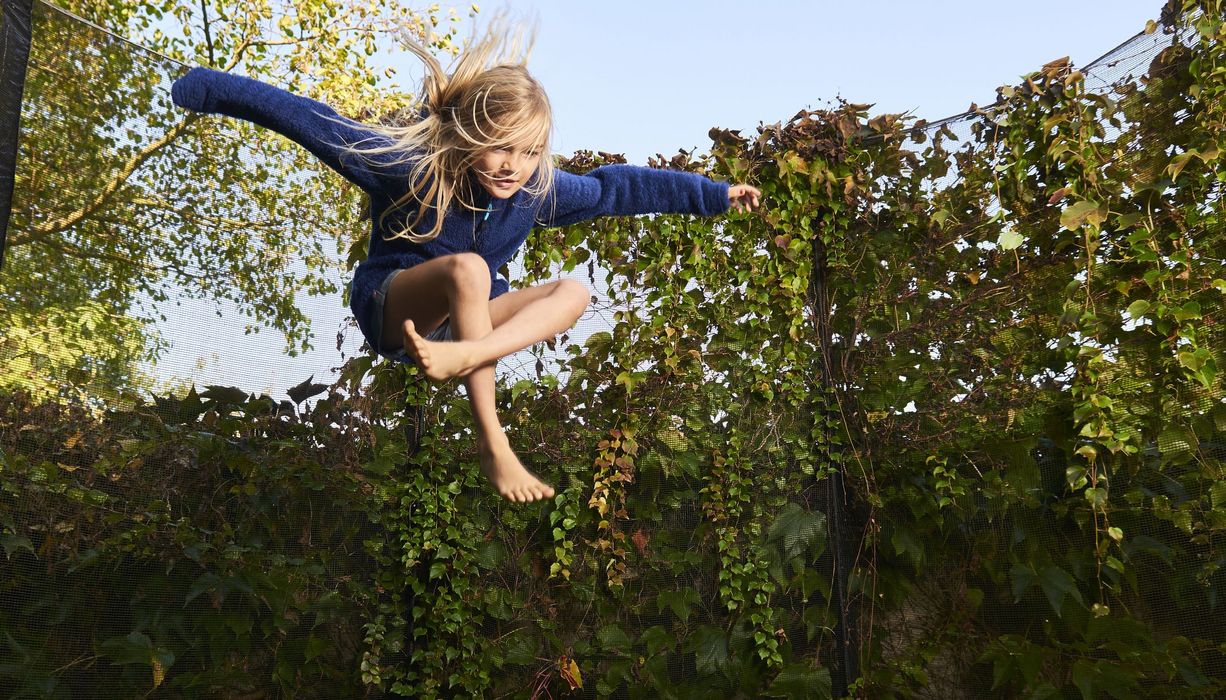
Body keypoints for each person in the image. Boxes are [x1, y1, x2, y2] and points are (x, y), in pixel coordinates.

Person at [171, 21, 761, 504]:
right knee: (471, 270)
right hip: (393, 307)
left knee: (574, 292)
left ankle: (469, 355)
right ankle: (492, 442)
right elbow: (307, 119)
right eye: (500, 146)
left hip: (461, 329)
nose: (513, 166)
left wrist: (710, 195)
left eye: (528, 152)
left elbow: (614, 190)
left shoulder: (535, 191)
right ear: (466, 132)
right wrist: (208, 88)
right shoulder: (409, 164)